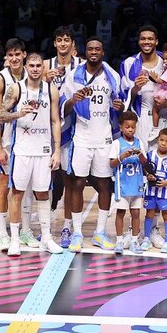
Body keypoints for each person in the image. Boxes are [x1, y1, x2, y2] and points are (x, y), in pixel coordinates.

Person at [60, 36, 125, 252]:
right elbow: (63, 106)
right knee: (77, 183)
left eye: (97, 49)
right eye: (90, 49)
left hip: (104, 137)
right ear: (85, 52)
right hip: (82, 137)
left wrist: (119, 106)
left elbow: (119, 103)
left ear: (103, 52)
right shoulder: (73, 75)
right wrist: (74, 100)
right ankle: (77, 233)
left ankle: (100, 232)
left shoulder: (112, 75)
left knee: (104, 184)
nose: (94, 52)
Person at [0, 52, 65, 256]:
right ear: (26, 67)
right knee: (17, 193)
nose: (35, 69)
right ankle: (15, 240)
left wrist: (57, 151)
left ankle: (46, 238)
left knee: (43, 193)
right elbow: (0, 115)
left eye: (38, 66)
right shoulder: (16, 88)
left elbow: (55, 121)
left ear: (43, 68)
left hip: (43, 150)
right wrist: (19, 113)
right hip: (22, 150)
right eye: (32, 65)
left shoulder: (51, 89)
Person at [0, 38, 33, 250]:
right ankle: (2, 233)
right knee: (3, 185)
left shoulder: (34, 74)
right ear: (6, 57)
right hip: (8, 140)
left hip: (30, 140)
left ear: (24, 55)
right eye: (11, 55)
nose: (15, 58)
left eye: (18, 54)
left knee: (26, 187)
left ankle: (25, 230)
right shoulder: (0, 79)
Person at [45, 26, 82, 247]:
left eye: (67, 40)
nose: (63, 43)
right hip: (45, 129)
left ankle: (67, 227)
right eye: (59, 40)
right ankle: (45, 229)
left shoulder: (81, 66)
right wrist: (44, 79)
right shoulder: (45, 65)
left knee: (69, 181)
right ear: (55, 43)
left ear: (72, 43)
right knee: (43, 181)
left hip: (72, 129)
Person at [111, 111, 149, 254]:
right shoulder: (117, 144)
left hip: (137, 184)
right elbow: (111, 164)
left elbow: (145, 163)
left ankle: (134, 240)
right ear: (121, 127)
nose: (130, 130)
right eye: (127, 127)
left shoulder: (139, 143)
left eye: (133, 127)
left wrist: (140, 154)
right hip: (122, 186)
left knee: (136, 213)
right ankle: (119, 241)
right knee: (120, 212)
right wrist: (122, 157)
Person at [144, 128, 167, 253]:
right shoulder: (150, 155)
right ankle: (147, 238)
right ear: (157, 140)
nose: (163, 143)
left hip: (164, 193)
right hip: (150, 191)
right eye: (161, 140)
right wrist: (148, 175)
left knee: (166, 215)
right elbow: (146, 169)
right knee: (149, 213)